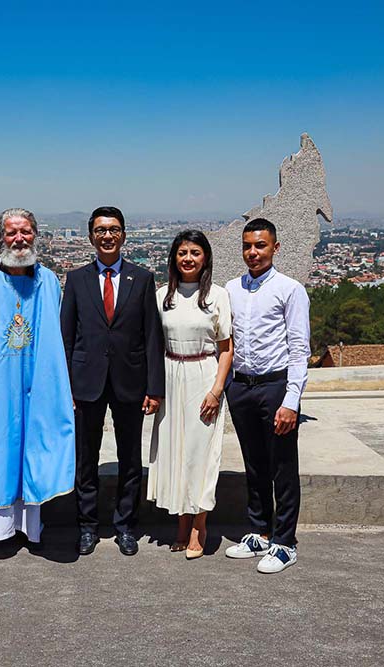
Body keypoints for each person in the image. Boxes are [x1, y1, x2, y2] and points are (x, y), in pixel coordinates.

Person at [0, 208, 75, 549]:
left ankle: (29, 527)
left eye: (26, 232)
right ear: (0, 239)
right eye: (11, 233)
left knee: (33, 446)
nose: (19, 239)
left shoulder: (49, 281)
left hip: (36, 385)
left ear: (36, 235)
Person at [59, 206, 164, 557]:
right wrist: (65, 387)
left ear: (123, 235)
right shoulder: (75, 279)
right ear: (91, 236)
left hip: (130, 381)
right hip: (85, 382)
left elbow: (152, 337)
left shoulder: (143, 278)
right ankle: (87, 526)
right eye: (101, 230)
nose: (107, 236)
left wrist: (154, 387)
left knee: (130, 457)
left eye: (114, 229)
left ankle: (125, 527)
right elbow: (66, 336)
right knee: (85, 458)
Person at [223, 218, 310, 574]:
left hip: (276, 386)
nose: (253, 252)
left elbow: (299, 347)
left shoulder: (290, 289)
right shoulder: (231, 288)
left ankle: (285, 542)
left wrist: (291, 400)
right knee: (254, 463)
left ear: (275, 247)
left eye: (260, 245)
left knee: (282, 467)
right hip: (241, 386)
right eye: (247, 246)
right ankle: (259, 530)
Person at [147, 230, 233, 559]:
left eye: (195, 252)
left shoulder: (218, 296)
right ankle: (181, 521)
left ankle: (199, 524)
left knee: (200, 452)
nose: (188, 258)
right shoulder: (161, 296)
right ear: (173, 258)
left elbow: (226, 349)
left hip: (203, 375)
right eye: (182, 252)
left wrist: (216, 390)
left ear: (206, 257)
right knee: (174, 451)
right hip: (169, 376)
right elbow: (153, 345)